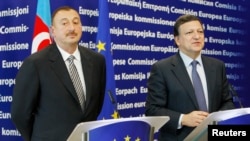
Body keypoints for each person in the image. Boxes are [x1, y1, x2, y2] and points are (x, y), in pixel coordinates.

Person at [11, 6, 106, 141]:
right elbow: (19, 114)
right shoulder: (36, 63)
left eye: (75, 22)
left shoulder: (97, 61)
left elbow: (96, 106)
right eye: (64, 23)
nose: (72, 28)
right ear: (53, 31)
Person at [145, 14, 235, 141]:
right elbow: (152, 110)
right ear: (177, 40)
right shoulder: (162, 69)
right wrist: (183, 119)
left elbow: (227, 102)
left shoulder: (217, 66)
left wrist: (215, 119)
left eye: (200, 31)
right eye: (189, 33)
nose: (197, 36)